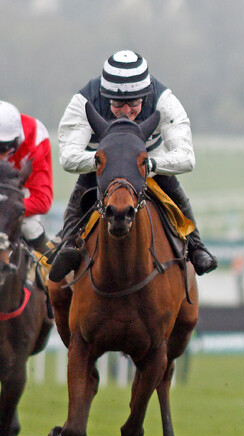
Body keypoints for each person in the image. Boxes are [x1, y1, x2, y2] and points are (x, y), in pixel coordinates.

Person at [49, 50, 217, 282]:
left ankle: (196, 247)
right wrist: (105, 162)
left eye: (134, 103)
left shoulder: (165, 100)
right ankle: (67, 244)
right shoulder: (83, 101)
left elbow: (187, 157)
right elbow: (68, 157)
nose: (126, 111)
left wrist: (149, 164)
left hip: (146, 163)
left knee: (174, 192)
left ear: (146, 96)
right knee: (82, 189)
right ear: (105, 96)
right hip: (103, 169)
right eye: (118, 103)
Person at [0, 100, 53, 253]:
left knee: (30, 227)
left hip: (18, 194)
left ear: (17, 141)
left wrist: (7, 207)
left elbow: (42, 200)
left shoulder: (36, 138)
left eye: (3, 149)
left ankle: (57, 270)